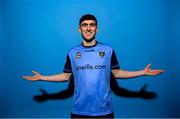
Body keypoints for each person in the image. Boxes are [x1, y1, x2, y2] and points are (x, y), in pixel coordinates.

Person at [23, 14, 164, 118]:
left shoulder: (108, 50)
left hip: (104, 111)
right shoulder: (73, 53)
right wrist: (41, 77)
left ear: (97, 29)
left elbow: (117, 73)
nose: (88, 28)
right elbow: (65, 76)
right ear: (79, 29)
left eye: (92, 25)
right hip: (79, 110)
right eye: (85, 25)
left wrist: (142, 72)